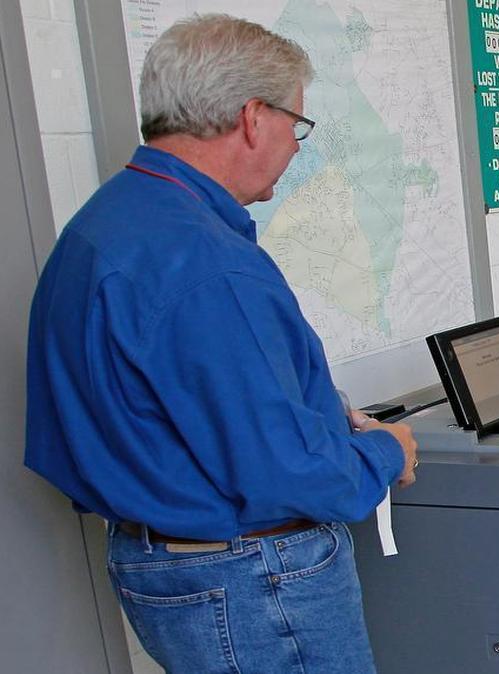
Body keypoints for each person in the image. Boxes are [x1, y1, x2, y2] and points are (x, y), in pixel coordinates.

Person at [25, 14, 417, 673]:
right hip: (256, 582)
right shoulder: (206, 265)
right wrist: (382, 452)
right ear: (252, 117)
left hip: (162, 563)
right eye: (297, 125)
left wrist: (319, 414)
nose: (298, 147)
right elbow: (284, 471)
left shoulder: (104, 225)